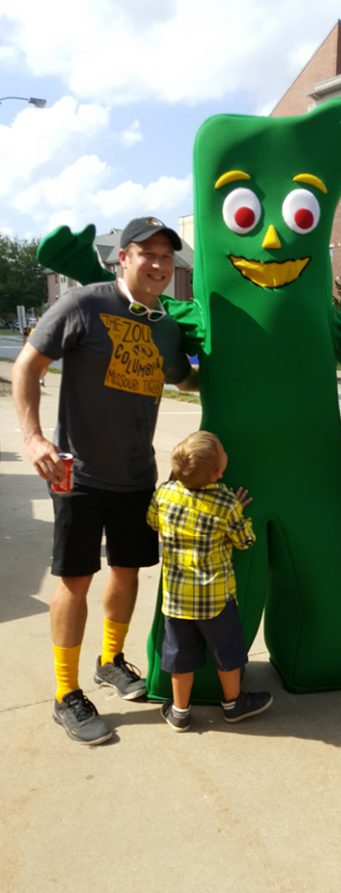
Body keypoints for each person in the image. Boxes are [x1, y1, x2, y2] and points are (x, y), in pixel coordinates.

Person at [12, 216, 199, 745]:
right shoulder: (84, 305)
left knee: (128, 570)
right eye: (148, 255)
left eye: (167, 257)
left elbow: (186, 378)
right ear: (124, 257)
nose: (160, 265)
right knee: (75, 579)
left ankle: (111, 660)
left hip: (138, 474)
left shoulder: (165, 325)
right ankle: (65, 692)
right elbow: (27, 366)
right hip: (78, 471)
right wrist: (32, 439)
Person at [146, 431, 273, 732]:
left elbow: (152, 520)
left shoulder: (165, 494)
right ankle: (234, 704)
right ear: (218, 471)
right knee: (226, 653)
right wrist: (240, 512)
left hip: (176, 601)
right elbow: (245, 541)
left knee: (179, 657)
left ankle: (179, 711)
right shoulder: (225, 502)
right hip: (216, 599)